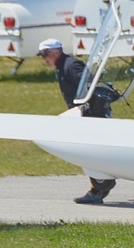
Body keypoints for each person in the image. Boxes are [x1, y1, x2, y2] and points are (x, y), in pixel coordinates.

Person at [37, 38, 117, 205]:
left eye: (45, 55)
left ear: (56, 52)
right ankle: (100, 185)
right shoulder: (62, 67)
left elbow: (89, 84)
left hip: (91, 115)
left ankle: (98, 189)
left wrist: (89, 112)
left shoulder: (70, 66)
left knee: (88, 153)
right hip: (82, 115)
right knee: (88, 153)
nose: (44, 59)